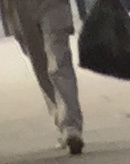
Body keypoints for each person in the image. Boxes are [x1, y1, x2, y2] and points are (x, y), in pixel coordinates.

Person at [3, 0, 84, 152]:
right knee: (41, 63)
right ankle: (65, 121)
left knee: (58, 60)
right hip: (17, 7)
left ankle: (70, 125)